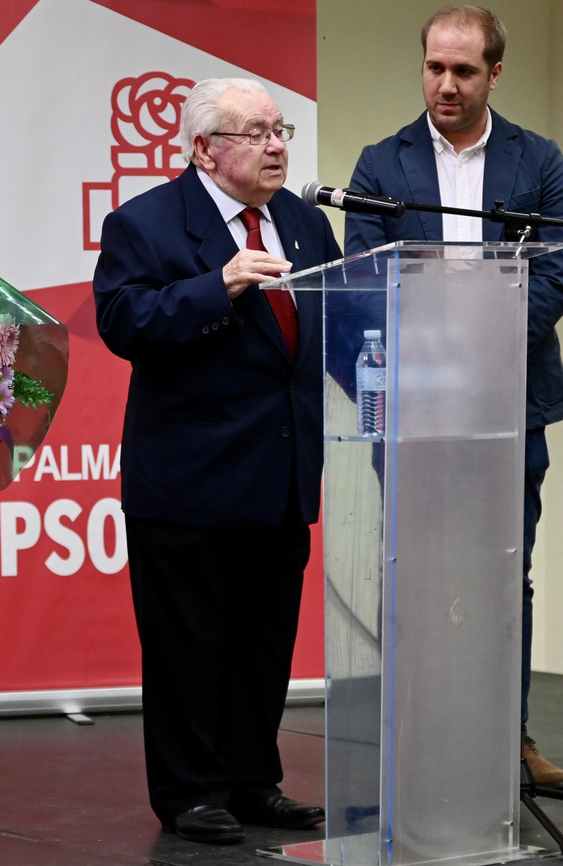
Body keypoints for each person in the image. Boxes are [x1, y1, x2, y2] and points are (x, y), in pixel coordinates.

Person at [94, 77, 340, 845]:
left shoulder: (300, 220)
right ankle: (190, 790)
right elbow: (122, 318)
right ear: (206, 147)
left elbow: (339, 310)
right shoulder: (147, 222)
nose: (277, 146)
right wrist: (218, 284)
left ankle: (250, 777)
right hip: (191, 481)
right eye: (257, 132)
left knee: (264, 640)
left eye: (281, 131)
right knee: (188, 644)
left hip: (284, 470)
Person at [343, 4, 563, 788]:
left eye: (464, 70)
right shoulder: (382, 163)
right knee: (418, 572)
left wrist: (469, 322)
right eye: (434, 67)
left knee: (506, 572)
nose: (445, 84)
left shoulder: (538, 161)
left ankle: (507, 739)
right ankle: (420, 735)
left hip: (512, 405)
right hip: (415, 406)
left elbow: (555, 278)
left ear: (495, 74)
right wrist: (454, 325)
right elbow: (368, 283)